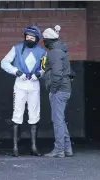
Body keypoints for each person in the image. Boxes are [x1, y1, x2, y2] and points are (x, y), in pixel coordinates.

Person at [1, 25, 47, 157]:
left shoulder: (42, 52)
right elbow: (4, 63)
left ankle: (33, 147)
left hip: (34, 84)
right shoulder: (16, 48)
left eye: (32, 37)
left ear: (37, 39)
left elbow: (45, 67)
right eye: (27, 37)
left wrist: (39, 74)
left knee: (34, 114)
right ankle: (15, 147)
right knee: (17, 113)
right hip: (20, 83)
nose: (29, 39)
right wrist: (16, 71)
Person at [42, 25, 73, 158]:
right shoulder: (61, 50)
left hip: (59, 90)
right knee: (60, 119)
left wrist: (53, 90)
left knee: (57, 120)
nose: (44, 43)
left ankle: (59, 150)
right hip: (65, 89)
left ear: (48, 40)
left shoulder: (54, 52)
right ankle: (67, 149)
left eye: (44, 40)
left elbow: (57, 73)